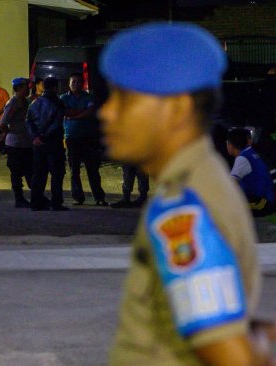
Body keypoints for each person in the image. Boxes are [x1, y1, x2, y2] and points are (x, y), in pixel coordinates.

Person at [99, 22, 274, 365]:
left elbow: (227, 352)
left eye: (125, 98)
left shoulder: (187, 206)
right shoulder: (198, 181)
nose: (106, 112)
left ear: (177, 109)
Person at [61, 73, 107, 206]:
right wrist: (81, 112)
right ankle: (78, 197)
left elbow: (90, 111)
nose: (76, 84)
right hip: (72, 138)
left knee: (92, 169)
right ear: (69, 84)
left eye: (78, 82)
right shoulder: (63, 98)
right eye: (73, 82)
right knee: (74, 170)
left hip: (88, 137)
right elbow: (66, 112)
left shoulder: (89, 97)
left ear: (82, 84)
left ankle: (99, 197)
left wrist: (74, 114)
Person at [26, 77, 68, 211]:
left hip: (38, 143)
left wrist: (36, 137)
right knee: (57, 173)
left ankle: (36, 202)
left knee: (39, 173)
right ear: (55, 87)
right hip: (53, 142)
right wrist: (44, 136)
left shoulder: (35, 103)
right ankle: (56, 202)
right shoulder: (58, 103)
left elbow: (28, 121)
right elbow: (56, 123)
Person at [0, 77, 33, 208]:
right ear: (18, 88)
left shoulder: (24, 101)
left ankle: (35, 195)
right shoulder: (13, 103)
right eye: (26, 87)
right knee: (17, 171)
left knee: (30, 169)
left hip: (25, 142)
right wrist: (9, 133)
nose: (29, 89)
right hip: (15, 144)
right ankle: (19, 199)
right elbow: (3, 123)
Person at [227, 128, 275, 217]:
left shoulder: (243, 158)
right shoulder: (251, 153)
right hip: (265, 199)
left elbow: (231, 184)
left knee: (225, 207)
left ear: (230, 145)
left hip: (262, 203)